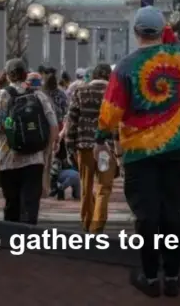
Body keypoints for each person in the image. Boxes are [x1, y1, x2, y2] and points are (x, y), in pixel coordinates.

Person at [97, 6, 180, 298]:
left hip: (139, 150)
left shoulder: (125, 67)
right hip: (177, 144)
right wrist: (167, 27)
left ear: (135, 32)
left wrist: (102, 137)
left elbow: (112, 110)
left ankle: (150, 277)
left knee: (147, 215)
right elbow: (172, 38)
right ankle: (173, 276)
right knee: (174, 212)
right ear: (161, 30)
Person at [0, 58, 59, 225]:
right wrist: (46, 153)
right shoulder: (39, 96)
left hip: (7, 160)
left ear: (7, 76)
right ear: (25, 74)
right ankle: (28, 241)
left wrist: (9, 128)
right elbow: (53, 127)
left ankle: (12, 239)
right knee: (30, 204)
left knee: (12, 204)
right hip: (34, 159)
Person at [65, 63, 117, 233]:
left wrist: (69, 146)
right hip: (107, 148)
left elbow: (71, 120)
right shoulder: (114, 94)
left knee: (86, 186)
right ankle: (98, 225)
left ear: (93, 76)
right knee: (104, 187)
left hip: (85, 146)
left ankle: (86, 221)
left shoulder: (80, 92)